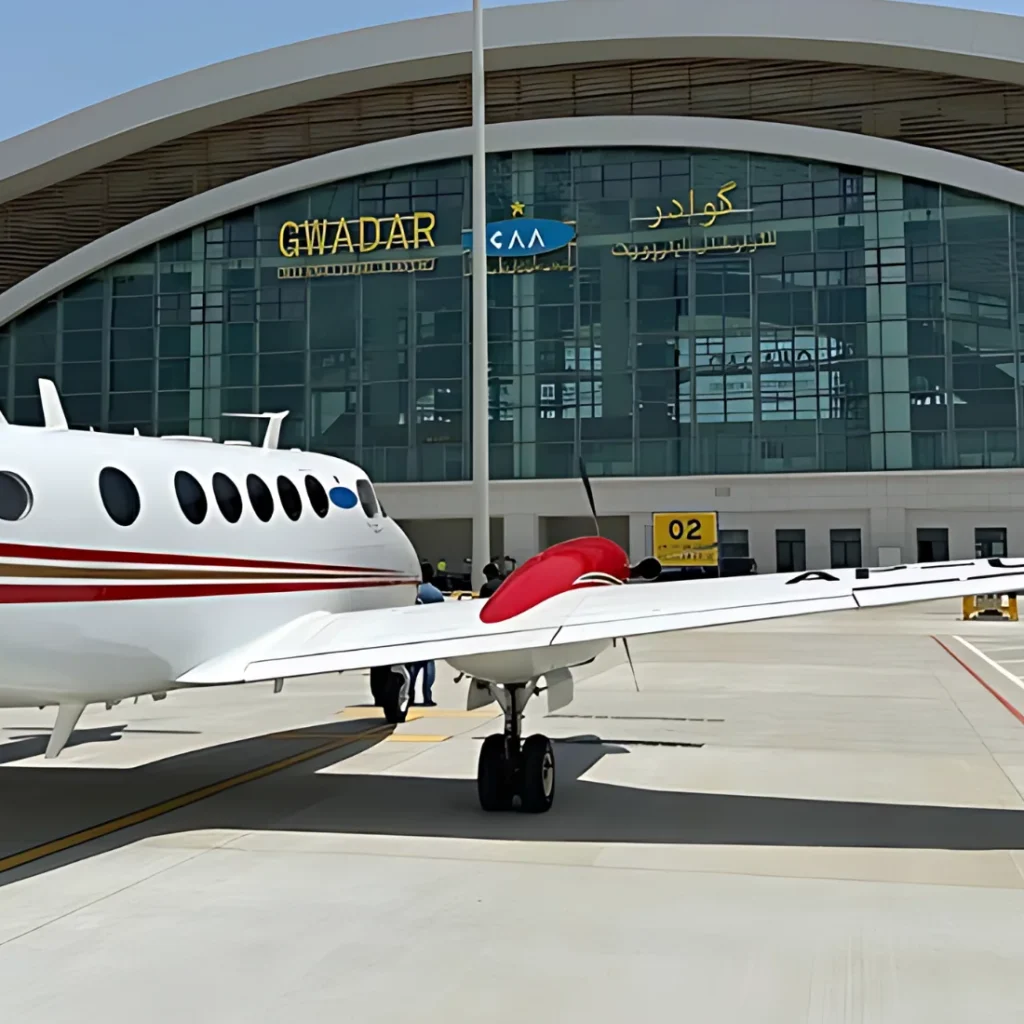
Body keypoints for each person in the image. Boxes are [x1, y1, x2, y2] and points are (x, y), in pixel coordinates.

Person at [408, 561, 444, 706]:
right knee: (429, 667)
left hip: (415, 633)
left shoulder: (415, 592)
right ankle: (427, 697)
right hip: (430, 634)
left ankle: (409, 695)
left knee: (412, 668)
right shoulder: (437, 593)